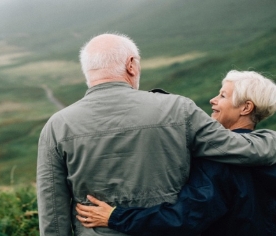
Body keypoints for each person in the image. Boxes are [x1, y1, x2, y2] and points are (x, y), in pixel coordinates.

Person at [37, 33, 276, 236]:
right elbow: (241, 149)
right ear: (131, 65)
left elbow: (53, 213)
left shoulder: (56, 126)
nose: (214, 100)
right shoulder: (178, 109)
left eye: (223, 95)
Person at [75, 70, 276, 235]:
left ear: (246, 108)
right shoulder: (270, 155)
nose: (212, 100)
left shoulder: (217, 161)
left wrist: (115, 217)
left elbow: (184, 219)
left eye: (222, 95)